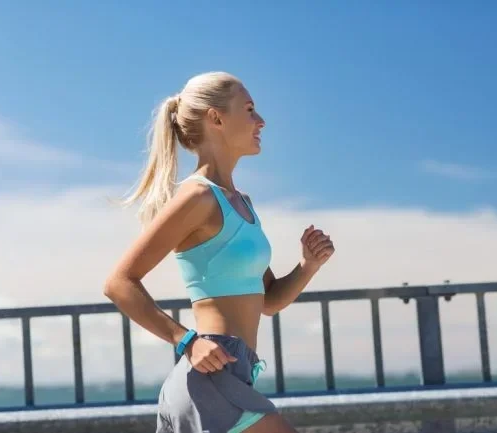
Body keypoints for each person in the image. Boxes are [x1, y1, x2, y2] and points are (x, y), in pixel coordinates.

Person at [103, 71, 335, 433]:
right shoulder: (197, 197)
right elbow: (119, 283)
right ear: (216, 118)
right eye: (250, 109)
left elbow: (269, 301)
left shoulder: (242, 203)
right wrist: (186, 341)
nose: (261, 121)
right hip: (209, 375)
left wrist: (307, 266)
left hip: (235, 373)